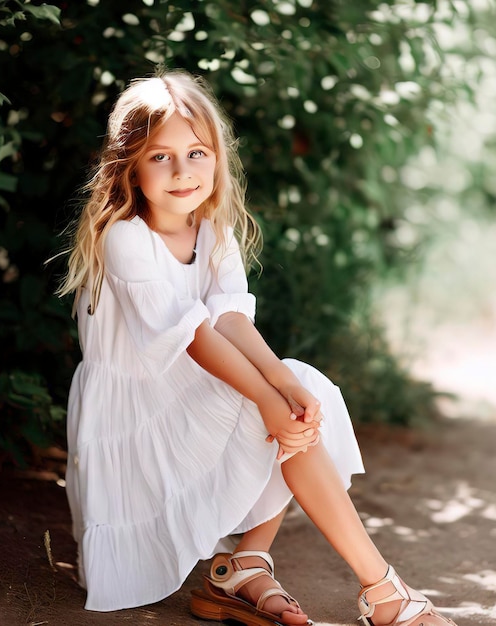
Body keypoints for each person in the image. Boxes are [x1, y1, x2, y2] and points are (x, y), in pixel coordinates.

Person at [56, 68, 458, 626]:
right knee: (263, 408)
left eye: (197, 153)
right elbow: (193, 338)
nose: (182, 171)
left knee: (303, 389)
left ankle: (246, 563)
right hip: (139, 411)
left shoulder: (213, 231)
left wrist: (285, 385)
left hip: (191, 387)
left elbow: (228, 320)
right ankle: (382, 590)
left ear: (217, 156)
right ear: (129, 166)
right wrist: (266, 398)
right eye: (160, 157)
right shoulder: (126, 237)